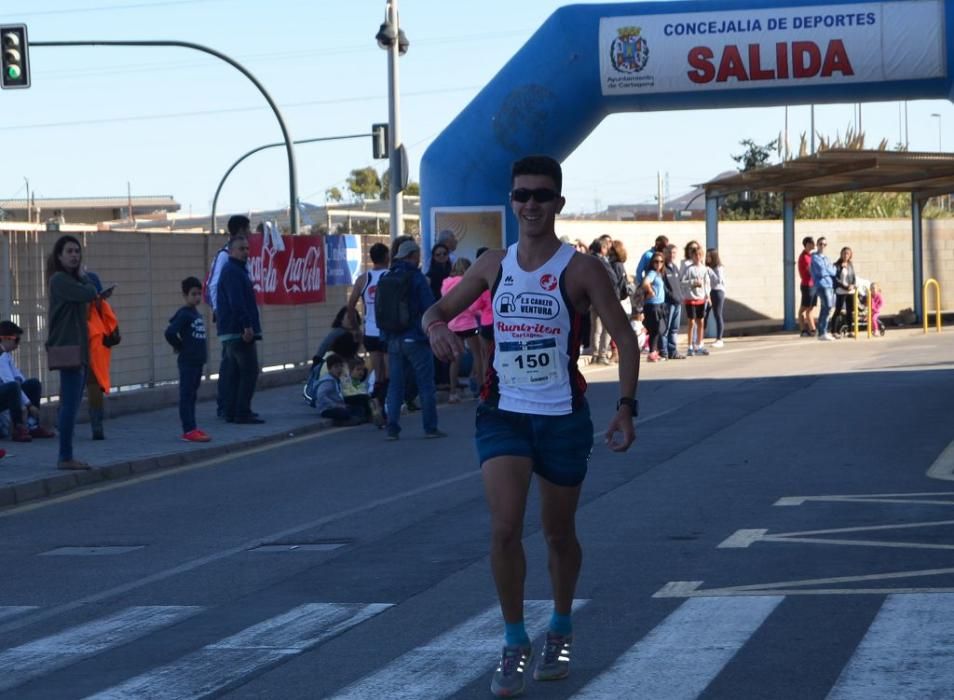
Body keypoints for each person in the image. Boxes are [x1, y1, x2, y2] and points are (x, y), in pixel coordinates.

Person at [422, 155, 638, 696]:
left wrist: (627, 407)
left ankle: (560, 626)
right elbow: (435, 312)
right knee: (503, 528)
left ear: (558, 203)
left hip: (563, 417)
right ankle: (515, 639)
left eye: (542, 195)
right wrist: (434, 332)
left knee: (559, 533)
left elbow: (626, 338)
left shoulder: (582, 268)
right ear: (512, 201)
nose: (531, 204)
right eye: (522, 196)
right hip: (505, 414)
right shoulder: (494, 264)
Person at [46, 235, 105, 470]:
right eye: (69, 251)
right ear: (59, 256)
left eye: (77, 251)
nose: (74, 255)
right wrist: (84, 277)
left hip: (79, 348)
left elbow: (93, 292)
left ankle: (66, 454)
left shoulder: (70, 281)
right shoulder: (59, 280)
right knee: (70, 405)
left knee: (71, 402)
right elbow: (89, 292)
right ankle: (65, 456)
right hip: (69, 348)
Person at [380, 239, 443, 441]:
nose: (418, 260)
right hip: (415, 338)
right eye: (417, 256)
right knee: (425, 384)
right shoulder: (416, 278)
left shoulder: (388, 276)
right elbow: (429, 307)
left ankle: (392, 428)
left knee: (395, 385)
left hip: (393, 339)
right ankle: (430, 427)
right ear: (412, 256)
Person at [215, 235, 264, 423]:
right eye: (241, 249)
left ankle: (232, 410)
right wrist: (246, 326)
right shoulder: (233, 271)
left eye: (247, 248)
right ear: (232, 251)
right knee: (249, 371)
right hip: (238, 332)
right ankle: (242, 411)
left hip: (232, 331)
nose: (246, 252)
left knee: (234, 373)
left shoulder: (237, 271)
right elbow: (237, 302)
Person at [207, 215, 252, 418]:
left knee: (232, 366)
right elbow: (214, 284)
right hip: (231, 322)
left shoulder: (234, 256)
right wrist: (218, 310)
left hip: (232, 319)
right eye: (247, 230)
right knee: (231, 367)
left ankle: (229, 407)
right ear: (240, 231)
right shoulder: (226, 256)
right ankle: (227, 407)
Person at [164, 276, 210, 443]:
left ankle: (193, 426)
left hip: (197, 362)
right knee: (186, 395)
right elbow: (170, 332)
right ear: (185, 295)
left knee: (192, 396)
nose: (197, 297)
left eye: (199, 294)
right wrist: (180, 346)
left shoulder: (194, 313)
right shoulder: (184, 314)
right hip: (188, 362)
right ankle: (188, 430)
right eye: (193, 294)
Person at [347, 242, 390, 418]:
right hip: (387, 331)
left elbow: (350, 306)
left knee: (378, 373)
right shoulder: (390, 276)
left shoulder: (364, 279)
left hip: (370, 332)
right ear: (387, 257)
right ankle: (384, 407)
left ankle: (376, 404)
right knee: (388, 373)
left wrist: (357, 329)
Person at [0, 320, 56, 440]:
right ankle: (18, 427)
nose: (17, 345)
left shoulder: (6, 354)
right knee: (13, 386)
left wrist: (19, 381)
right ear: (5, 338)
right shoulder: (1, 356)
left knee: (33, 384)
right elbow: (9, 382)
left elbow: (18, 375)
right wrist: (29, 405)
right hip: (5, 391)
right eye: (17, 340)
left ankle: (33, 425)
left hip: (6, 391)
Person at [84, 270, 120, 440]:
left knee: (92, 386)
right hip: (84, 353)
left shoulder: (103, 309)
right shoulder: (88, 310)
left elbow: (114, 336)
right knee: (80, 388)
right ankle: (94, 424)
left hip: (94, 356)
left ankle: (96, 424)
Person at [441, 257, 482, 402]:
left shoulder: (446, 283)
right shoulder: (468, 282)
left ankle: (453, 392)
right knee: (478, 355)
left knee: (455, 358)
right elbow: (473, 304)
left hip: (453, 324)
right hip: (469, 323)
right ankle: (480, 387)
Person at [588, 237, 616, 364]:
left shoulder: (589, 260)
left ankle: (595, 354)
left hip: (594, 298)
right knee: (607, 328)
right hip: (604, 298)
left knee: (596, 329)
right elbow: (612, 279)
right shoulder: (600, 261)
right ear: (602, 248)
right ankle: (602, 354)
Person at [314, 353, 363, 426]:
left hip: (339, 404)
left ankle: (354, 418)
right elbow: (321, 396)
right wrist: (335, 405)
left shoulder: (336, 379)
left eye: (341, 366)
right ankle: (344, 422)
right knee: (343, 413)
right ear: (329, 369)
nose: (339, 369)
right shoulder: (327, 381)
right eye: (336, 367)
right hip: (327, 409)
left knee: (358, 408)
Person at [680, 242, 710, 356]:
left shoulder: (704, 269)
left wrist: (708, 295)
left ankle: (700, 344)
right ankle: (690, 346)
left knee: (701, 321)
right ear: (692, 256)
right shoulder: (689, 269)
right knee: (691, 322)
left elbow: (707, 283)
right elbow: (682, 282)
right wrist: (692, 283)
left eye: (699, 255)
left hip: (701, 298)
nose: (697, 257)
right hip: (690, 298)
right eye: (695, 255)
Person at [641, 252, 668, 362]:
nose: (658, 264)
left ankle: (654, 351)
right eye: (656, 261)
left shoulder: (659, 274)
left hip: (659, 304)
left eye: (661, 261)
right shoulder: (652, 273)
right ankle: (652, 352)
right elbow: (645, 282)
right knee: (654, 330)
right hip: (653, 305)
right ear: (652, 262)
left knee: (657, 330)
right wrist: (650, 290)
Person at [662, 243, 685, 360]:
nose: (672, 255)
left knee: (674, 329)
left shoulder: (675, 268)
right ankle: (664, 352)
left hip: (677, 303)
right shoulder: (663, 268)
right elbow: (663, 287)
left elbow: (679, 283)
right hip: (668, 303)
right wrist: (671, 296)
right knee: (666, 329)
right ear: (665, 254)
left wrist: (680, 296)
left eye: (674, 253)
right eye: (670, 253)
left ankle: (673, 351)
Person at [811, 237, 837, 341]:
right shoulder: (815, 257)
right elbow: (821, 271)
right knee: (828, 306)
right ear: (817, 245)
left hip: (829, 284)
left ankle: (821, 331)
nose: (822, 246)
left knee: (825, 308)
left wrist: (828, 270)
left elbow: (834, 271)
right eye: (820, 244)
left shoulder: (826, 258)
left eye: (824, 244)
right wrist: (828, 270)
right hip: (821, 285)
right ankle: (823, 331)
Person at [705, 248, 726, 348]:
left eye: (709, 256)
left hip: (718, 291)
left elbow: (719, 280)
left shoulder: (718, 268)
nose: (707, 258)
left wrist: (710, 271)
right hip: (711, 291)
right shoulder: (709, 267)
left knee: (718, 314)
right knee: (708, 313)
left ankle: (719, 339)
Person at [834, 246, 857, 336]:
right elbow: (836, 279)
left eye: (847, 253)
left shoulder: (850, 264)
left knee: (849, 311)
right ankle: (834, 331)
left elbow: (853, 277)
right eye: (844, 253)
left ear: (850, 255)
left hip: (850, 291)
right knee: (838, 310)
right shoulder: (837, 265)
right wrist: (844, 286)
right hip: (841, 291)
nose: (845, 255)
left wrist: (852, 285)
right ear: (841, 254)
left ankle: (850, 330)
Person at [797, 237, 817, 337]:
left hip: (813, 285)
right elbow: (811, 271)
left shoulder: (811, 256)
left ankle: (813, 329)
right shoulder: (804, 256)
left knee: (810, 309)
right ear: (807, 244)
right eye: (812, 243)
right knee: (803, 310)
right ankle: (803, 330)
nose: (814, 244)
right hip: (807, 286)